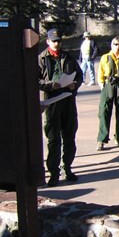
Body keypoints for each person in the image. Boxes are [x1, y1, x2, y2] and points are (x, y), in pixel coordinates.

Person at [38, 29, 84, 187]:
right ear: (48, 41)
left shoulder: (68, 56)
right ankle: (53, 172)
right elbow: (35, 80)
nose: (57, 43)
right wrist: (51, 85)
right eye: (54, 41)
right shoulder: (42, 59)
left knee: (69, 137)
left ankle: (68, 168)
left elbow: (79, 74)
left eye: (59, 41)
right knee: (54, 139)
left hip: (68, 101)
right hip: (52, 102)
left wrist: (74, 84)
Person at [96, 36, 119, 151]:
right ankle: (101, 140)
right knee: (104, 113)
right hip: (108, 87)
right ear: (112, 45)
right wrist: (102, 85)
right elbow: (100, 73)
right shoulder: (105, 58)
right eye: (116, 44)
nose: (118, 46)